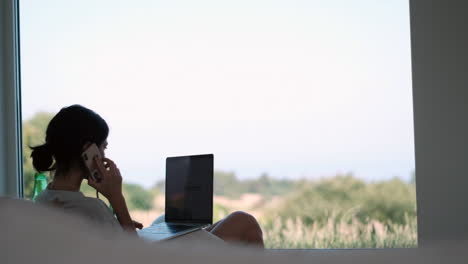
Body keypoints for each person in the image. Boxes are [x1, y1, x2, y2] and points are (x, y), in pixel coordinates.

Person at [32, 104, 264, 247]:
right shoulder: (91, 210)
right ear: (88, 151)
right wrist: (116, 198)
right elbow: (134, 255)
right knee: (244, 221)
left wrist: (118, 223)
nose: (104, 154)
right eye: (103, 147)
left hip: (136, 244)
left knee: (167, 221)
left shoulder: (42, 201)